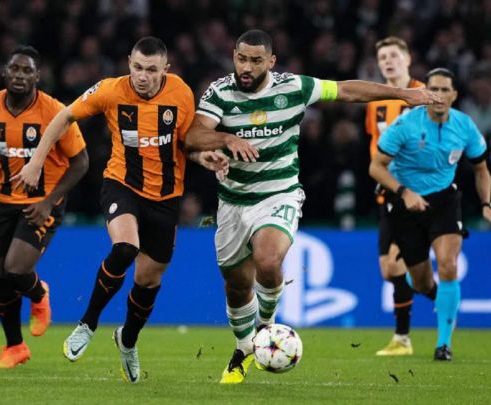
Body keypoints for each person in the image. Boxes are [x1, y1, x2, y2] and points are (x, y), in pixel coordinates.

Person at [184, 29, 441, 384]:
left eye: (256, 60)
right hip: (233, 201)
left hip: (279, 193)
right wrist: (226, 138)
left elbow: (347, 90)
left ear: (271, 62)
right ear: (234, 56)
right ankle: (243, 348)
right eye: (241, 59)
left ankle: (266, 327)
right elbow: (193, 135)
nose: (247, 67)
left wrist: (403, 94)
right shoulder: (220, 92)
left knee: (268, 261)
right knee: (237, 286)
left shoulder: (294, 87)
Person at [12, 37, 229, 383]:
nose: (143, 76)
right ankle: (88, 323)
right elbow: (64, 115)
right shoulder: (111, 90)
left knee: (148, 280)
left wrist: (205, 157)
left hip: (166, 198)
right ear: (129, 62)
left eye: (151, 70)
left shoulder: (181, 93)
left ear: (166, 69)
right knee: (125, 247)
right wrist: (37, 161)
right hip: (122, 185)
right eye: (137, 67)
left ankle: (127, 339)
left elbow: (186, 144)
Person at [0, 45, 88, 368]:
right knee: (2, 278)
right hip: (4, 200)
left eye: (27, 70)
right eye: (15, 69)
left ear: (37, 77)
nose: (20, 75)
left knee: (15, 269)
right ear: (4, 72)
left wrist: (49, 202)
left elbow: (81, 162)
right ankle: (15, 347)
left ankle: (39, 294)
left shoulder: (55, 112)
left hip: (41, 203)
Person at [369, 68, 491, 361]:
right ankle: (441, 297)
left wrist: (487, 203)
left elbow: (481, 170)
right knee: (422, 282)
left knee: (448, 265)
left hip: (444, 200)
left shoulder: (464, 126)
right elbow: (375, 167)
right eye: (433, 89)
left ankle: (443, 344)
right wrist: (404, 192)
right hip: (406, 203)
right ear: (425, 93)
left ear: (454, 95)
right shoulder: (405, 124)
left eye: (444, 89)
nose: (438, 95)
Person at [366, 36, 437, 356]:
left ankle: (402, 338)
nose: (388, 61)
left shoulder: (424, 94)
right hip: (388, 193)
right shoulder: (375, 101)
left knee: (397, 267)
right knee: (389, 269)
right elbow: (375, 145)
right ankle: (444, 299)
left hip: (416, 193)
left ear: (408, 59)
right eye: (383, 57)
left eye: (394, 55)